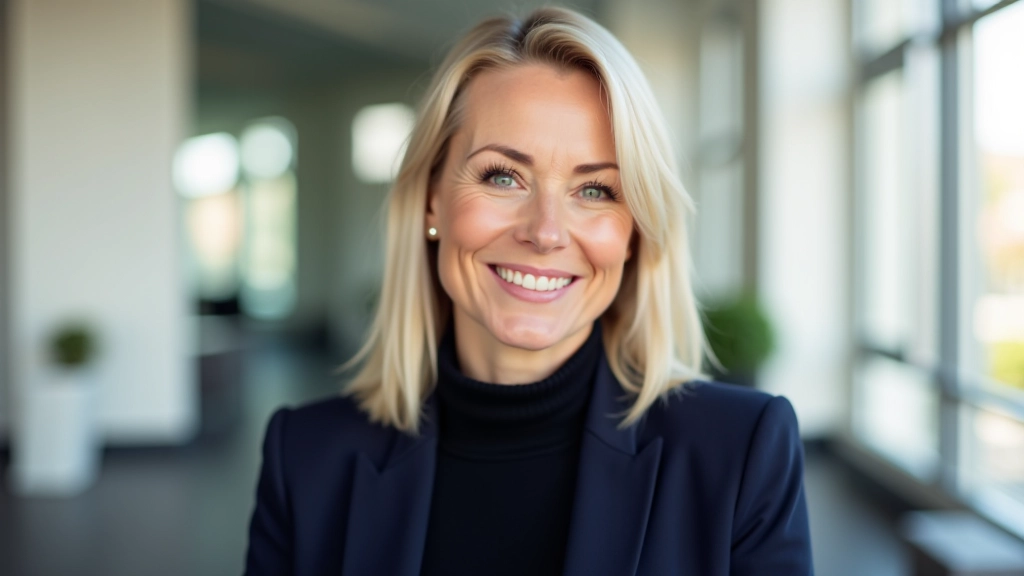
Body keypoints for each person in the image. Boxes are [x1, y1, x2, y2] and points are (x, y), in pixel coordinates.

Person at [244, 6, 813, 576]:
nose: (544, 232)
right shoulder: (305, 457)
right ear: (431, 200)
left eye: (595, 189)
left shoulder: (740, 453)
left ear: (634, 233)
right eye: (502, 176)